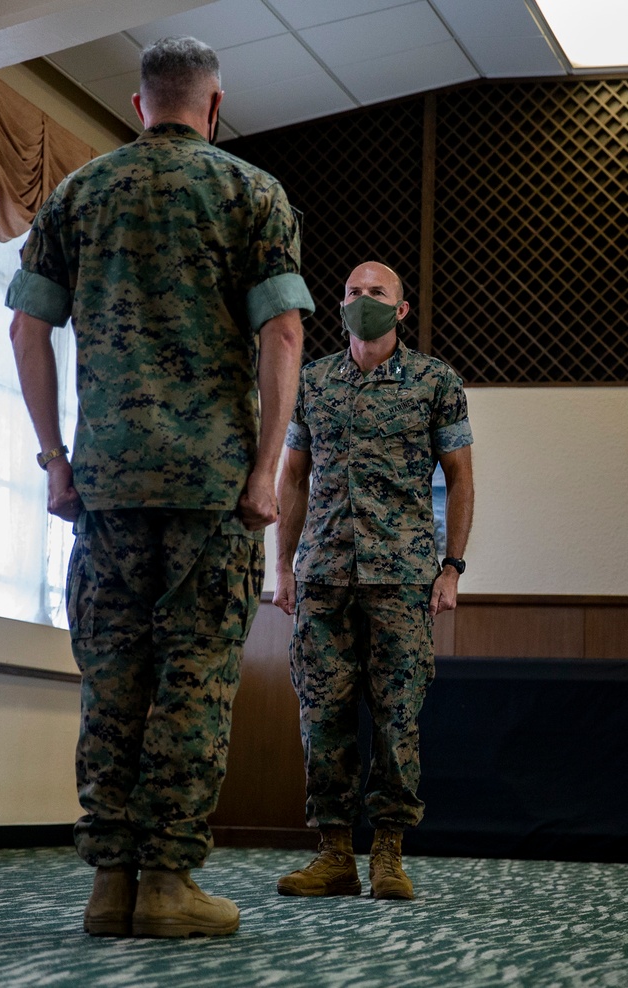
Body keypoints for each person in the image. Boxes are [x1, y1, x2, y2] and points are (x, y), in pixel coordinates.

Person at [6, 36, 313, 938]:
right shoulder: (251, 192)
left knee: (113, 681)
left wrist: (55, 460)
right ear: (214, 107)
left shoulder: (79, 193)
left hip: (104, 487)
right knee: (193, 681)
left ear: (140, 106)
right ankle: (168, 883)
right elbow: (286, 334)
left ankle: (110, 884)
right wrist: (264, 472)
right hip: (212, 487)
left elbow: (27, 328)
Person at [272, 260, 474, 901]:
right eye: (354, 291)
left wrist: (452, 567)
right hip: (324, 578)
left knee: (397, 720)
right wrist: (283, 565)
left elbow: (461, 478)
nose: (364, 300)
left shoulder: (434, 381)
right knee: (322, 717)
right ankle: (334, 854)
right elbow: (294, 477)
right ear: (340, 303)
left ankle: (388, 854)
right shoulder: (313, 382)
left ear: (402, 309)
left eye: (377, 293)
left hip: (403, 578)